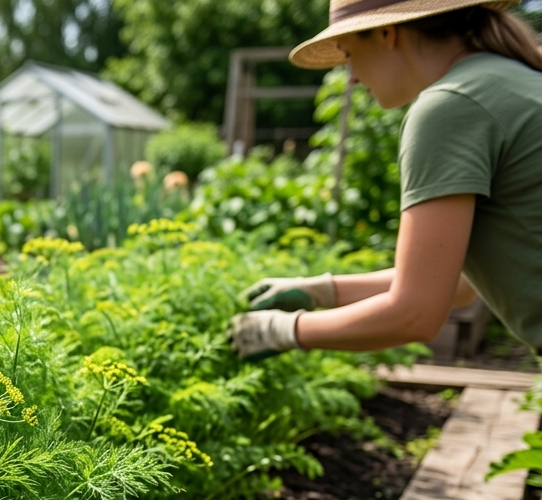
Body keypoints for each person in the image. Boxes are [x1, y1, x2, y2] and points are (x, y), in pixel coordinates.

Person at [227, 0, 542, 363]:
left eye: (348, 54)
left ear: (387, 33)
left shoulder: (451, 106)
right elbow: (457, 284)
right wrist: (322, 291)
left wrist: (282, 331)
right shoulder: (509, 79)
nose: (351, 78)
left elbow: (415, 314)